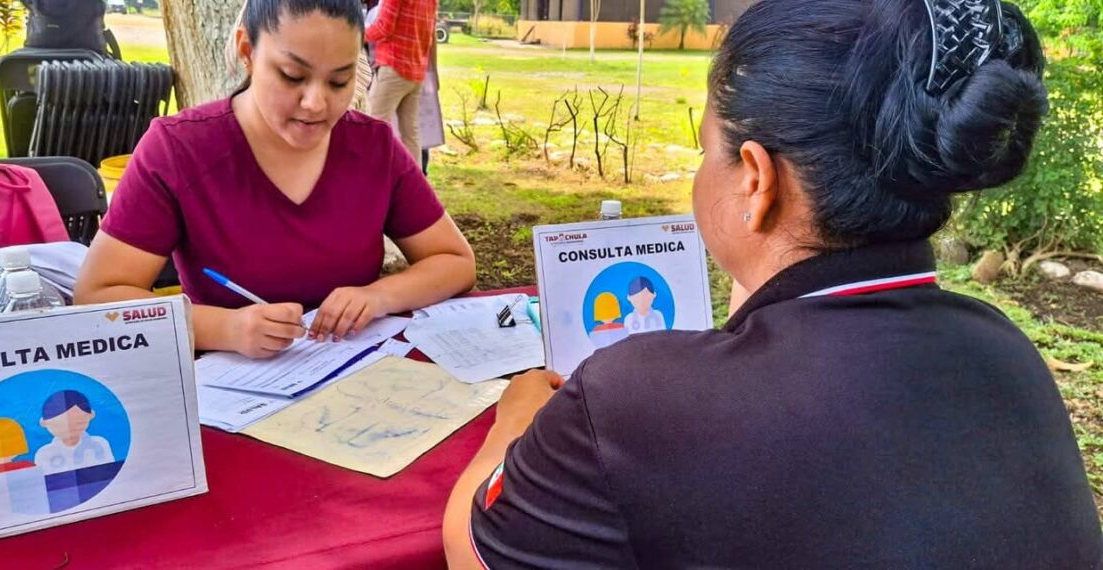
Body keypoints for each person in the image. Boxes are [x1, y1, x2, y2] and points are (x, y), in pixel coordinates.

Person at [443, 0, 1102, 567]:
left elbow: (471, 554)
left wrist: (515, 419)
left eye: (707, 149)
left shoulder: (636, 399)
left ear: (756, 179)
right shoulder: (1004, 353)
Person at [75, 0, 475, 359]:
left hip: (353, 377)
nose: (316, 103)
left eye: (339, 81)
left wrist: (379, 296)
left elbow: (454, 262)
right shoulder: (179, 149)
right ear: (247, 50)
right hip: (225, 393)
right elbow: (98, 299)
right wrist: (225, 328)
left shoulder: (373, 146)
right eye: (291, 76)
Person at [365, 0, 437, 165]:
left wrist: (354, 34)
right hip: (416, 71)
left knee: (375, 126)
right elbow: (430, 35)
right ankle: (415, 184)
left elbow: (383, 27)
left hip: (393, 66)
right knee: (410, 132)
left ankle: (377, 179)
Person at [34, 390, 115, 475]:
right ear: (44, 423)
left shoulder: (100, 444)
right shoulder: (44, 454)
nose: (70, 427)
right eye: (60, 424)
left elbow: (110, 473)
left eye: (78, 422)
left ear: (90, 415)